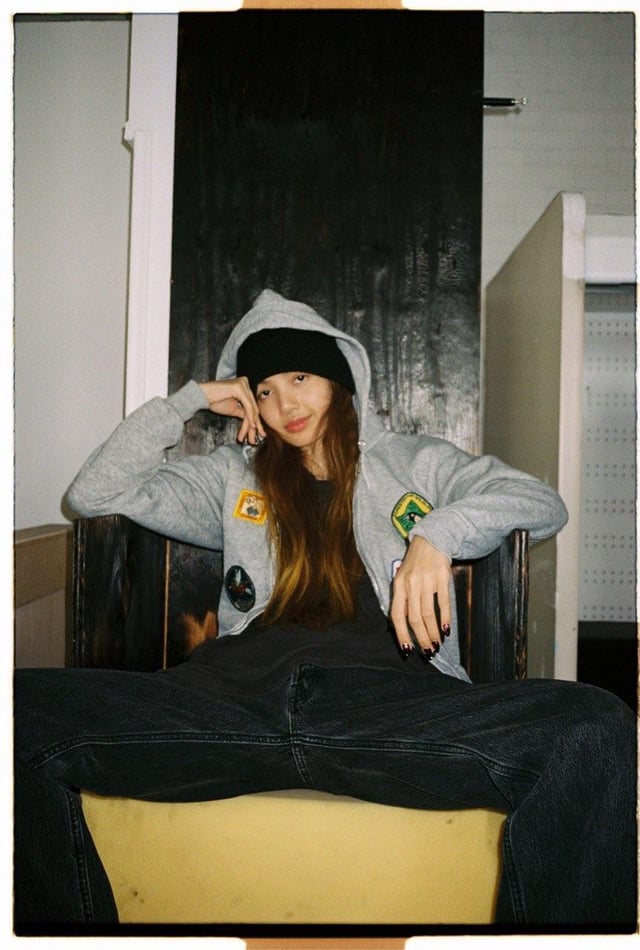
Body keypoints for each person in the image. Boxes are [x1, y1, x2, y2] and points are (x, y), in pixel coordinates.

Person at [14, 289, 636, 931]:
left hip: (388, 708)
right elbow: (95, 493)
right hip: (233, 704)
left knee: (592, 725)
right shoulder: (233, 477)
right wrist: (191, 400)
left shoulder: (415, 462)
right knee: (15, 714)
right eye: (264, 391)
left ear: (339, 380)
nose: (285, 405)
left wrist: (437, 536)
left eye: (301, 379)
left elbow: (539, 502)